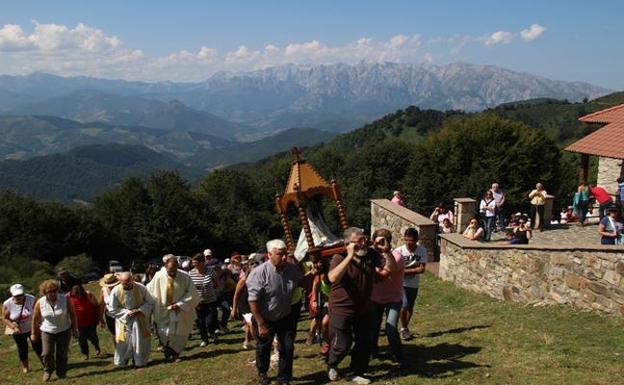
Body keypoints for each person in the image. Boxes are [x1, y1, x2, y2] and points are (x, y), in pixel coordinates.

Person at [326, 227, 395, 385]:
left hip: (364, 308)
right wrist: (349, 256)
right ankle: (332, 363)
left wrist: (388, 252)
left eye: (364, 239)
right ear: (348, 244)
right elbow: (333, 277)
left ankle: (356, 371)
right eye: (358, 242)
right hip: (341, 309)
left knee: (365, 342)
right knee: (342, 344)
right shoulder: (339, 257)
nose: (363, 243)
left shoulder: (370, 254)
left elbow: (388, 271)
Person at [246, 239, 303, 385]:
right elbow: (253, 301)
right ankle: (263, 372)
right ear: (269, 255)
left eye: (285, 254)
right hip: (264, 318)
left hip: (285, 316)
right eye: (280, 254)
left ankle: (283, 379)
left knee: (287, 347)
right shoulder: (259, 273)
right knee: (264, 347)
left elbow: (302, 283)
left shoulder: (292, 269)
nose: (284, 257)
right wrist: (260, 324)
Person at [146, 254, 200, 362]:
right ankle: (167, 350)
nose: (173, 272)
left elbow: (192, 293)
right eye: (170, 270)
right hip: (163, 310)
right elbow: (149, 291)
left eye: (175, 270)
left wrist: (180, 304)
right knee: (164, 333)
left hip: (180, 310)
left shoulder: (185, 276)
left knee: (180, 333)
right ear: (165, 266)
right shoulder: (158, 276)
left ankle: (176, 353)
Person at [370, 228, 405, 368]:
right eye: (377, 241)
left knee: (390, 328)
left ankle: (399, 356)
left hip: (394, 298)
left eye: (382, 241)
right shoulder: (371, 255)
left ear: (389, 242)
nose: (379, 245)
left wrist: (387, 251)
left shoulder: (397, 255)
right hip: (375, 298)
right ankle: (373, 352)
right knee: (373, 328)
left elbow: (392, 269)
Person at [31, 280, 78, 382]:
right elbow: (35, 319)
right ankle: (48, 370)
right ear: (44, 292)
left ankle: (61, 372)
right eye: (49, 291)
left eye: (54, 291)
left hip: (64, 330)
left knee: (62, 353)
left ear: (57, 290)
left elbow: (72, 314)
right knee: (46, 353)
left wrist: (75, 329)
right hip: (47, 330)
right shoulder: (40, 302)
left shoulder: (65, 299)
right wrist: (33, 333)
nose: (52, 293)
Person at [108, 272, 154, 368]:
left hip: (139, 319)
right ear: (120, 281)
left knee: (139, 341)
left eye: (129, 282)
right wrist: (126, 313)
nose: (128, 284)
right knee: (123, 342)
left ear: (132, 279)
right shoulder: (116, 291)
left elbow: (150, 302)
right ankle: (122, 362)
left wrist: (140, 310)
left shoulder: (141, 288)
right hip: (124, 321)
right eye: (125, 283)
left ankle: (139, 361)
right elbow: (112, 308)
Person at [3, 284, 41, 373]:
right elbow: (5, 318)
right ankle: (25, 367)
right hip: (18, 331)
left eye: (20, 295)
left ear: (24, 293)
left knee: (38, 346)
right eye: (16, 295)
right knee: (22, 349)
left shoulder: (31, 298)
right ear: (11, 294)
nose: (18, 297)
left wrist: (38, 324)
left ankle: (45, 364)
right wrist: (13, 327)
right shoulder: (7, 304)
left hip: (32, 328)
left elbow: (38, 311)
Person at [398, 228, 427, 341]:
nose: (408, 243)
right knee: (404, 305)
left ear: (416, 240)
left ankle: (404, 327)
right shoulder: (399, 251)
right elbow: (396, 269)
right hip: (401, 283)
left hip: (413, 284)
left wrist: (404, 270)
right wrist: (414, 269)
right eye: (406, 240)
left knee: (410, 306)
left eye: (411, 240)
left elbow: (422, 269)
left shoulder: (422, 251)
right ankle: (403, 329)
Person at [189, 253, 219, 347]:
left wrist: (212, 289)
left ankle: (213, 334)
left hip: (210, 301)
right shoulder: (190, 273)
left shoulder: (210, 271)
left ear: (202, 262)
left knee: (209, 322)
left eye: (196, 263)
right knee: (200, 323)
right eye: (193, 263)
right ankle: (204, 339)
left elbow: (216, 282)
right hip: (198, 302)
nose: (194, 265)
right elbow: (189, 287)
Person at [67, 282, 101, 360]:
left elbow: (96, 306)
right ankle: (85, 354)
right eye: (76, 293)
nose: (78, 295)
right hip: (78, 324)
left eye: (79, 292)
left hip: (90, 322)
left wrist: (97, 318)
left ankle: (97, 347)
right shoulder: (68, 297)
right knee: (82, 340)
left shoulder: (88, 295)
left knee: (93, 337)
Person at [231, 258, 258, 350]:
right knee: (252, 323)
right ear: (247, 268)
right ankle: (259, 341)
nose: (254, 265)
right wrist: (234, 309)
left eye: (256, 263)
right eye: (251, 264)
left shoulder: (259, 277)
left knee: (248, 325)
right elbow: (236, 294)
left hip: (253, 303)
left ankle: (247, 342)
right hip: (243, 305)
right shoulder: (244, 279)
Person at [306, 255, 330, 356]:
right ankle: (317, 337)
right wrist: (314, 300)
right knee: (317, 319)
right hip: (325, 301)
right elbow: (314, 287)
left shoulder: (330, 273)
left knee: (325, 323)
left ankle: (328, 343)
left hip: (334, 301)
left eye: (320, 262)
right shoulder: (317, 275)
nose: (318, 265)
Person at [99, 273, 120, 345]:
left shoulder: (120, 288)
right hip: (109, 315)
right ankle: (118, 350)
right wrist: (101, 318)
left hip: (121, 314)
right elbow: (102, 304)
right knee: (114, 333)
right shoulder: (103, 290)